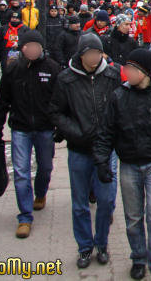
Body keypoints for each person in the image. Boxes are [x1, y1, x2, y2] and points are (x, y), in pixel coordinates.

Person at [94, 49, 151, 281]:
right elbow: (106, 131)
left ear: (144, 71)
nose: (126, 73)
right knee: (133, 218)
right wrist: (102, 161)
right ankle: (138, 258)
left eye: (131, 69)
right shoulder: (119, 96)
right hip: (129, 165)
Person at [49, 33, 121, 269]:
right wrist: (76, 131)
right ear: (81, 55)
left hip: (106, 149)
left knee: (107, 199)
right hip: (79, 149)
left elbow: (120, 105)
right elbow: (56, 112)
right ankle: (84, 247)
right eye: (90, 53)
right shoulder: (66, 79)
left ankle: (102, 243)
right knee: (80, 202)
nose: (94, 57)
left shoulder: (111, 75)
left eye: (97, 53)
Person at [0, 30, 60, 238]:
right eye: (28, 46)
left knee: (46, 167)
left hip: (44, 128)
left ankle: (40, 194)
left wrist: (59, 125)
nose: (32, 50)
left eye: (36, 46)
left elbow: (60, 101)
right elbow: (2, 100)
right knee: (21, 172)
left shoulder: (52, 68)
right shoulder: (14, 69)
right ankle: (24, 216)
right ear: (22, 48)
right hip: (20, 128)